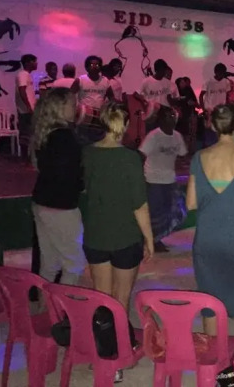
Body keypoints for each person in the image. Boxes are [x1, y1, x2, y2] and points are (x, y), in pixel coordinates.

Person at [186, 105, 234, 372]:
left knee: (210, 301)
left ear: (212, 125)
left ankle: (216, 362)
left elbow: (191, 203)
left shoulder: (199, 157)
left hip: (206, 241)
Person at [82, 103, 154, 381]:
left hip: (96, 235)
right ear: (125, 126)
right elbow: (139, 205)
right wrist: (149, 239)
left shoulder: (88, 153)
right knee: (120, 301)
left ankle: (102, 355)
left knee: (102, 298)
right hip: (124, 236)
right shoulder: (129, 158)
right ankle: (117, 361)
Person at [31, 88, 86, 286]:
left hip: (42, 202)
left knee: (50, 264)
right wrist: (82, 184)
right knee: (74, 265)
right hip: (61, 206)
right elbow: (68, 174)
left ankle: (44, 303)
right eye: (72, 103)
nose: (76, 107)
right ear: (60, 107)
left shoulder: (46, 133)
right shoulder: (65, 137)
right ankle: (64, 304)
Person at [139, 107, 188, 253]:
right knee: (155, 212)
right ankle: (153, 240)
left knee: (172, 211)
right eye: (168, 116)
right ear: (160, 119)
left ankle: (156, 238)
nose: (172, 119)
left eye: (173, 116)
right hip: (153, 179)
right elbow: (141, 155)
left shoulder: (177, 136)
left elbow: (183, 154)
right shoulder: (154, 136)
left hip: (169, 179)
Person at [199, 63, 233, 146]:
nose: (222, 74)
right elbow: (201, 95)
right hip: (210, 110)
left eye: (223, 72)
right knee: (209, 131)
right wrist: (203, 109)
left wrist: (227, 108)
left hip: (221, 110)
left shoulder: (226, 82)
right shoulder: (208, 82)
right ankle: (207, 148)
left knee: (220, 131)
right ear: (216, 72)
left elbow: (228, 96)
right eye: (220, 72)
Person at [15, 54, 38, 160]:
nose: (36, 63)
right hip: (25, 110)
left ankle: (28, 156)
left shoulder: (27, 75)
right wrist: (28, 106)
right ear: (28, 63)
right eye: (34, 61)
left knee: (29, 133)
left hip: (28, 109)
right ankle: (24, 157)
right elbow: (22, 90)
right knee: (25, 133)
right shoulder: (23, 75)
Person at [176, 76, 198, 153]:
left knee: (190, 133)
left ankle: (190, 149)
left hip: (190, 114)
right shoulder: (176, 91)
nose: (184, 84)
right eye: (182, 82)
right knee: (181, 133)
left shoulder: (188, 90)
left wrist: (193, 103)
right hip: (180, 116)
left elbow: (195, 101)